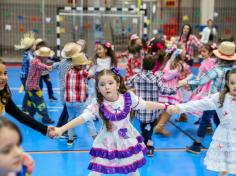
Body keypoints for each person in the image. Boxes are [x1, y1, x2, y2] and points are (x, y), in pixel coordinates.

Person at [50, 68, 168, 176]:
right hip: (106, 142)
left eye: (110, 83)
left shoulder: (127, 97)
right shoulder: (98, 104)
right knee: (96, 171)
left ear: (117, 85)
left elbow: (145, 104)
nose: (106, 87)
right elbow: (83, 118)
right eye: (102, 84)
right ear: (98, 89)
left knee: (132, 170)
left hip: (126, 140)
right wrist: (61, 129)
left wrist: (165, 106)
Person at [168, 67, 236, 176]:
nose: (235, 86)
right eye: (232, 83)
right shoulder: (220, 97)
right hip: (224, 137)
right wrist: (179, 107)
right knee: (224, 167)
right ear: (227, 83)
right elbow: (200, 104)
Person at [177, 41, 236, 154]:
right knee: (223, 121)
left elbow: (201, 81)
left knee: (205, 120)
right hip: (229, 101)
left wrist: (186, 83)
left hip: (215, 100)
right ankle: (228, 145)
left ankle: (197, 145)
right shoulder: (234, 70)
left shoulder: (217, 70)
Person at [126, 55, 176, 156]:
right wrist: (175, 89)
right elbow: (163, 90)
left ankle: (146, 141)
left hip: (140, 109)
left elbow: (127, 84)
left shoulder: (136, 77)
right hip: (153, 109)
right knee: (149, 127)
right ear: (154, 66)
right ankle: (149, 145)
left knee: (144, 126)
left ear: (142, 65)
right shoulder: (156, 78)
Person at [0, 62, 52, 136]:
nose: (4, 77)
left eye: (5, 73)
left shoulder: (3, 95)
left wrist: (45, 129)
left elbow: (20, 115)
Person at [154, 48, 192, 136]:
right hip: (171, 88)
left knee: (165, 107)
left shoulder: (168, 62)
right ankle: (160, 126)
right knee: (170, 108)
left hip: (165, 87)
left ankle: (159, 123)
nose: (185, 55)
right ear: (179, 55)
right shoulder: (179, 65)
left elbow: (165, 74)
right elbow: (168, 75)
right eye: (183, 54)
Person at [65, 53, 97, 145]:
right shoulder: (83, 73)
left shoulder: (68, 72)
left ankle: (70, 139)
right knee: (88, 118)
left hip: (69, 101)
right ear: (80, 65)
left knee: (71, 119)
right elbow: (92, 75)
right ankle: (95, 138)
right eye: (83, 64)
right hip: (79, 102)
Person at [52, 42, 81, 131]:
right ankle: (63, 130)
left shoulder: (63, 62)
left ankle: (59, 126)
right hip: (70, 90)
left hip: (63, 89)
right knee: (68, 112)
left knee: (66, 110)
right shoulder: (73, 64)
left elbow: (53, 66)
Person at [23, 47, 54, 124]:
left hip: (30, 86)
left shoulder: (36, 60)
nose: (48, 58)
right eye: (47, 56)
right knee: (40, 103)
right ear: (42, 56)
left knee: (32, 103)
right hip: (33, 87)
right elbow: (43, 66)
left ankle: (29, 116)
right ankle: (46, 119)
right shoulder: (36, 62)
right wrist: (50, 67)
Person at [14, 32, 35, 112]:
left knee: (29, 91)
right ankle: (24, 107)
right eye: (34, 45)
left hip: (25, 75)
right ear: (30, 46)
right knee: (28, 92)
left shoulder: (29, 53)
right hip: (25, 76)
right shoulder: (29, 55)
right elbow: (32, 64)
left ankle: (27, 106)